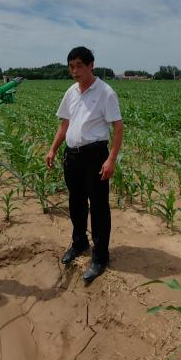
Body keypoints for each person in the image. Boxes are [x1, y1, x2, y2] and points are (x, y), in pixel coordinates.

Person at [45, 46, 123, 284]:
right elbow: (64, 124)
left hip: (95, 156)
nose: (75, 71)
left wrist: (111, 159)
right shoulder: (71, 92)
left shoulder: (106, 92)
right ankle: (79, 243)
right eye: (71, 67)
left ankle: (100, 256)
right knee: (76, 202)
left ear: (91, 65)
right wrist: (53, 149)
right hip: (73, 156)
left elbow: (118, 127)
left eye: (79, 65)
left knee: (98, 206)